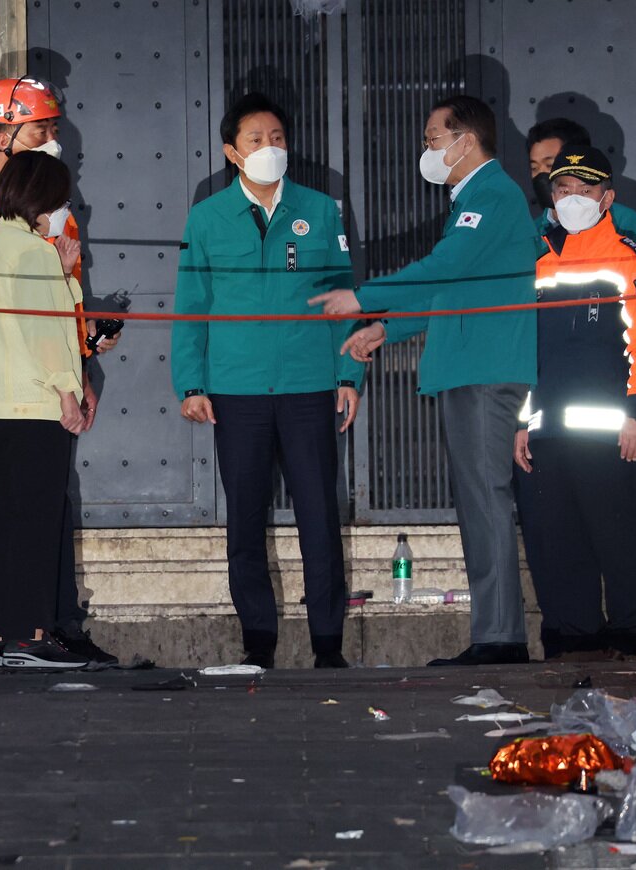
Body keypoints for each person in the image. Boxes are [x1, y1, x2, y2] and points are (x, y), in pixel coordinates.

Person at [314, 95, 537, 666]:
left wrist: (364, 298)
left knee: (485, 501)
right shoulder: (477, 197)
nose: (428, 150)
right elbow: (451, 291)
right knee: (476, 501)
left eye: (433, 139)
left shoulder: (491, 195)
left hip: (484, 369)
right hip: (468, 364)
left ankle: (501, 639)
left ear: (467, 140)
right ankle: (495, 634)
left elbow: (443, 268)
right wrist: (386, 329)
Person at [0, 77, 119, 665]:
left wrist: (82, 359)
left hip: (39, 385)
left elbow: (66, 300)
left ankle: (43, 622)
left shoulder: (52, 209)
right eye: (42, 129)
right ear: (5, 131)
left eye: (55, 129)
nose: (52, 140)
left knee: (40, 509)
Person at [172, 93, 363, 669]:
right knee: (245, 520)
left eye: (277, 137)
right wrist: (192, 384)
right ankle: (258, 641)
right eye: (256, 140)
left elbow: (343, 297)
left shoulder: (320, 210)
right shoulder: (206, 217)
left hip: (308, 387)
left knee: (319, 518)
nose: (269, 148)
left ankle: (328, 644)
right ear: (232, 152)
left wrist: (347, 372)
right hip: (237, 391)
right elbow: (191, 305)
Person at [513, 145, 636, 661]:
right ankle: (570, 639)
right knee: (553, 543)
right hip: (543, 432)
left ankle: (627, 641)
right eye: (563, 190)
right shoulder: (535, 262)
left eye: (585, 190)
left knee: (614, 540)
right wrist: (520, 423)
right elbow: (521, 352)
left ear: (608, 198)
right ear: (551, 197)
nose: (573, 199)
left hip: (609, 434)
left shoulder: (633, 259)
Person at [0, 151, 90, 668]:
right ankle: (30, 636)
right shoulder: (32, 250)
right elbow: (46, 331)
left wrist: (61, 271)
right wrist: (67, 393)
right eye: (60, 198)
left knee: (3, 522)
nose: (63, 208)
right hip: (33, 405)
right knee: (35, 524)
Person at [524, 117, 636, 250]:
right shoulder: (531, 233)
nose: (542, 175)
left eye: (550, 165)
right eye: (534, 168)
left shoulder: (625, 223)